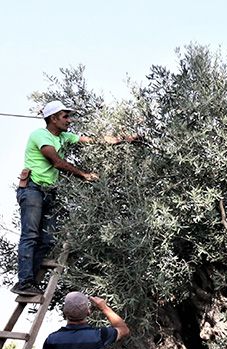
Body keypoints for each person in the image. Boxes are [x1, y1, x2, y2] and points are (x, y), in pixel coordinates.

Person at [12, 100, 138, 295]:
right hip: (32, 190)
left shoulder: (64, 136)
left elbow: (96, 140)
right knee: (30, 236)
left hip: (49, 192)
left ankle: (30, 282)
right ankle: (24, 282)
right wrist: (84, 175)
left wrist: (126, 138)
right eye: (65, 116)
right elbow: (56, 162)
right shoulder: (40, 135)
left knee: (47, 240)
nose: (69, 120)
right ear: (53, 118)